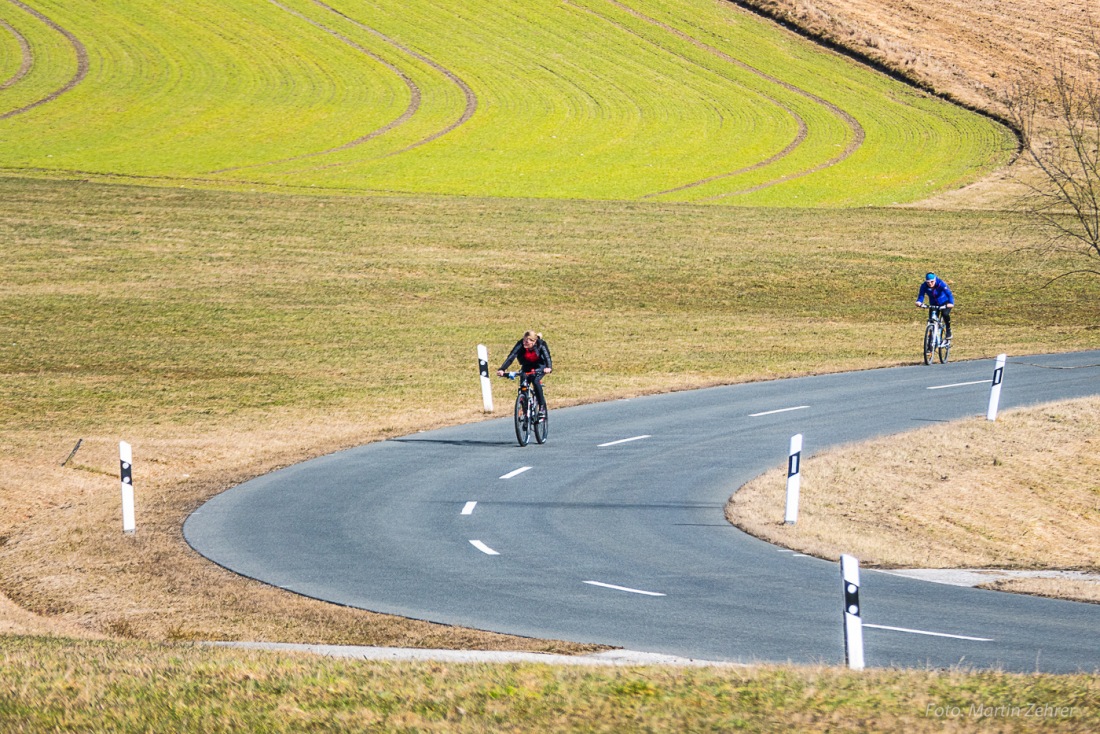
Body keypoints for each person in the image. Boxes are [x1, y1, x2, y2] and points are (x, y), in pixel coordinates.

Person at [497, 331, 553, 416]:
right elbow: (512, 356)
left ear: (533, 342)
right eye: (524, 340)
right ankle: (524, 407)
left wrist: (548, 367)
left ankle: (541, 407)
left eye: (527, 341)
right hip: (527, 366)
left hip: (540, 366)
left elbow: (547, 356)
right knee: (523, 384)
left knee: (535, 380)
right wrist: (502, 369)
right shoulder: (520, 344)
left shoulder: (541, 344)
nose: (524, 343)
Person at [916, 272, 954, 340]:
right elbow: (921, 295)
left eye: (932, 281)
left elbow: (949, 294)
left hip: (945, 302)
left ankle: (948, 330)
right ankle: (930, 341)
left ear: (935, 280)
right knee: (931, 320)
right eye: (928, 282)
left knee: (945, 314)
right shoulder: (924, 286)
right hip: (933, 304)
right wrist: (919, 302)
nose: (930, 284)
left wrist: (951, 303)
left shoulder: (940, 283)